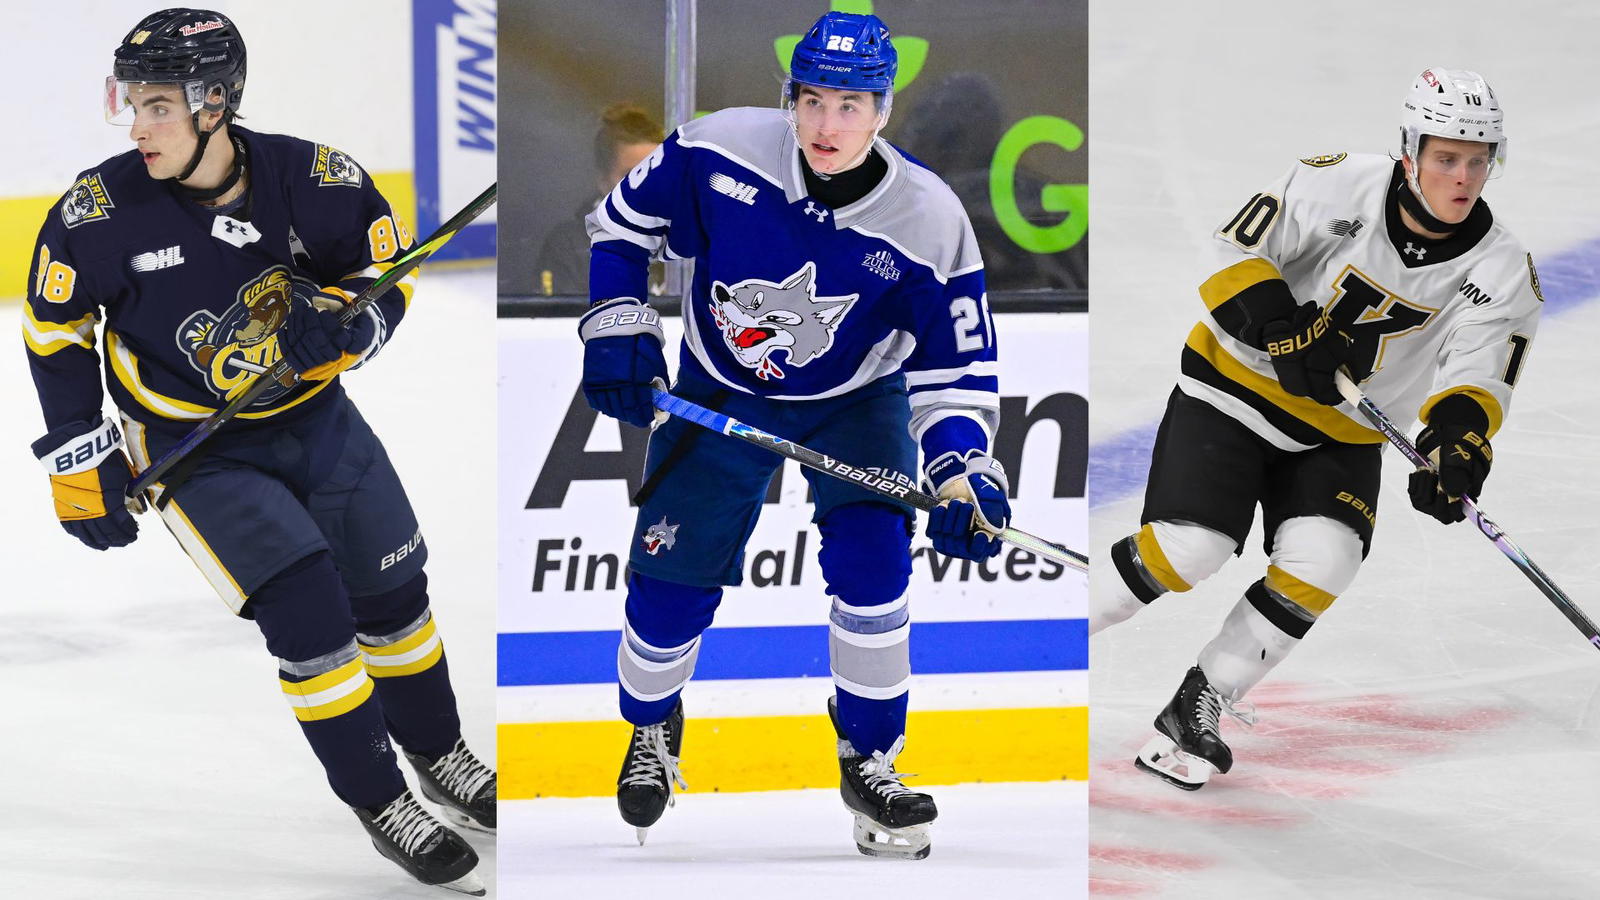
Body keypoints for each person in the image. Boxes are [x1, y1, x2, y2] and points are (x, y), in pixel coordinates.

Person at [24, 10, 494, 893]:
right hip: (194, 450)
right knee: (309, 610)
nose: (138, 126)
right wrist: (79, 457)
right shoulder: (98, 212)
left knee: (395, 595)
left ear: (215, 104)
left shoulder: (314, 178)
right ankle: (380, 798)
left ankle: (440, 755)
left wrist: (347, 328)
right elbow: (53, 331)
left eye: (157, 105)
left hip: (319, 424)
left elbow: (389, 271)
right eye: (131, 103)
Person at [578, 11, 1008, 859]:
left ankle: (870, 757)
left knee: (875, 571)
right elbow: (619, 225)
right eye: (811, 102)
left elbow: (954, 374)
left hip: (857, 400)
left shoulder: (929, 219)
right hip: (716, 382)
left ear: (884, 110)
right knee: (665, 595)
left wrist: (961, 474)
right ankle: (653, 724)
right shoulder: (718, 149)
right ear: (790, 99)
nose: (827, 126)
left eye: (850, 106)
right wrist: (617, 319)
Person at [1091, 68, 1542, 790]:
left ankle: (1199, 703)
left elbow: (1479, 374)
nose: (1462, 176)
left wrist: (1455, 445)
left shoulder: (1501, 268)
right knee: (1189, 549)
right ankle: (1056, 640)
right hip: (1233, 388)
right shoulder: (1335, 184)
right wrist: (1280, 327)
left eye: (1478, 159)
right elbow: (1234, 250)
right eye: (1445, 157)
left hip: (1344, 430)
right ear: (1409, 151)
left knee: (1326, 559)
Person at [535, 102, 665, 295]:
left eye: (657, 173)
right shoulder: (568, 246)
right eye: (633, 176)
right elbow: (558, 322)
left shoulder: (697, 239)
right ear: (603, 182)